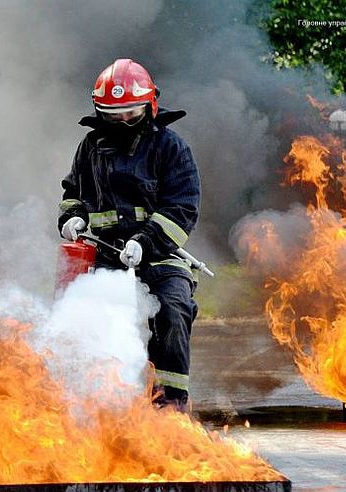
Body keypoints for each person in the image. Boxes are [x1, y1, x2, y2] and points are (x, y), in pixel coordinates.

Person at [57, 58, 200, 411]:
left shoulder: (170, 147)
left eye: (131, 115)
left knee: (173, 310)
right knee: (87, 320)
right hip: (106, 257)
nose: (121, 122)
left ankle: (169, 406)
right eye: (112, 115)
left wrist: (144, 241)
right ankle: (98, 407)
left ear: (150, 106)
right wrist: (73, 218)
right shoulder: (90, 147)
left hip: (161, 256)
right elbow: (73, 192)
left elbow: (182, 208)